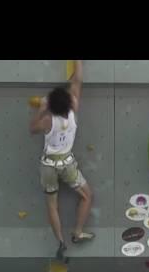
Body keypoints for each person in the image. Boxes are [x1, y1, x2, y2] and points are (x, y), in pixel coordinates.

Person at [29, 60, 94, 261]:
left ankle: (60, 242)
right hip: (67, 164)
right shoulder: (73, 109)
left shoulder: (48, 120)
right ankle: (78, 232)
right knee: (86, 195)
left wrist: (41, 108)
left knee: (52, 204)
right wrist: (78, 62)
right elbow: (77, 81)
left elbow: (32, 129)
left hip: (49, 165)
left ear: (52, 107)